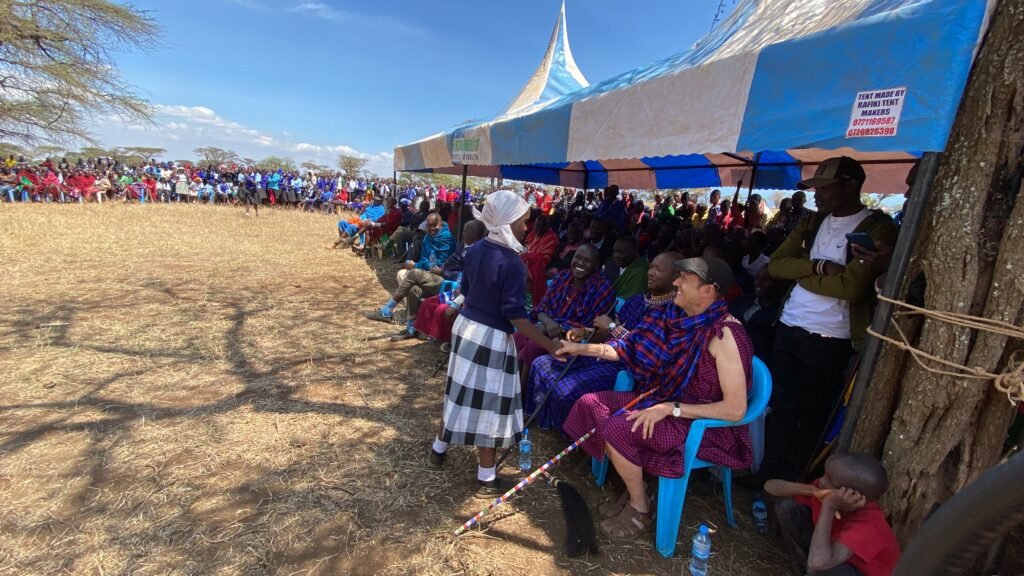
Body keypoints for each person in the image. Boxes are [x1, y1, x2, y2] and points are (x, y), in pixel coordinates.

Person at [557, 256, 753, 539]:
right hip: (663, 402)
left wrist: (670, 409)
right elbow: (630, 348)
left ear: (707, 291)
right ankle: (639, 488)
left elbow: (735, 410)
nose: (675, 283)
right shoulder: (676, 317)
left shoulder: (725, 335)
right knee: (591, 405)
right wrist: (582, 349)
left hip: (701, 425)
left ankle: (640, 507)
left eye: (684, 279)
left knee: (616, 429)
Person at [765, 156, 898, 480]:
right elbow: (776, 265)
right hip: (790, 325)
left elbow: (851, 287)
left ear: (850, 185)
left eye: (824, 187)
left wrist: (802, 273)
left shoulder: (876, 227)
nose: (816, 194)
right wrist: (820, 267)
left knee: (812, 414)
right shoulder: (811, 221)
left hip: (830, 337)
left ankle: (797, 480)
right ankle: (768, 475)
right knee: (780, 407)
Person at [427, 190, 562, 497]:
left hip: (466, 329)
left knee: (458, 390)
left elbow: (467, 289)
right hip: (490, 337)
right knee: (489, 403)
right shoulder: (512, 263)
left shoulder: (474, 249)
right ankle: (486, 478)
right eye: (523, 222)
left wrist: (458, 307)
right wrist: (550, 345)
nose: (526, 228)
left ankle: (438, 449)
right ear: (507, 220)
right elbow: (516, 316)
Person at [525, 252, 682, 430]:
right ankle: (544, 422)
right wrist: (585, 333)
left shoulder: (673, 312)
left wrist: (612, 326)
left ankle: (569, 436)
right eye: (651, 266)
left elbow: (641, 348)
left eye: (659, 269)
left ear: (675, 277)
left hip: (624, 366)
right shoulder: (637, 300)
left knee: (564, 389)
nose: (651, 272)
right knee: (541, 364)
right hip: (602, 353)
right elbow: (607, 333)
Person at [766, 453, 901, 576]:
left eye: (829, 480)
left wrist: (829, 506)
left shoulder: (868, 525)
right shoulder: (825, 490)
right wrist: (811, 491)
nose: (822, 480)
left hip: (855, 571)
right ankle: (802, 570)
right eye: (825, 474)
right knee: (787, 507)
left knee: (822, 566)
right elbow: (770, 486)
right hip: (831, 558)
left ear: (852, 494)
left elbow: (819, 563)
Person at [513, 244, 614, 387]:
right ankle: (509, 384)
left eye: (587, 261)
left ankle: (520, 395)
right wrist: (548, 324)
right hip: (548, 326)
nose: (580, 263)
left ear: (596, 265)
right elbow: (541, 308)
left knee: (534, 346)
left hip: (573, 338)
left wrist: (557, 328)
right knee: (519, 336)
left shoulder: (602, 287)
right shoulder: (563, 276)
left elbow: (592, 328)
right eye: (578, 257)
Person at [364, 220, 481, 341]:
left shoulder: (476, 251)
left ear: (476, 234)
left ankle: (387, 310)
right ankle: (411, 328)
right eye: (428, 226)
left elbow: (466, 276)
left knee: (414, 273)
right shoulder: (462, 244)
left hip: (453, 285)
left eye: (466, 230)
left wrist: (442, 272)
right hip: (439, 274)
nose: (462, 232)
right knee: (414, 289)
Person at [521, 213, 559, 303]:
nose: (539, 228)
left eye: (542, 226)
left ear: (547, 226)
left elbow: (544, 259)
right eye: (537, 225)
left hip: (539, 267)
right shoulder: (532, 234)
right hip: (527, 261)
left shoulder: (551, 238)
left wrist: (527, 256)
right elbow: (525, 247)